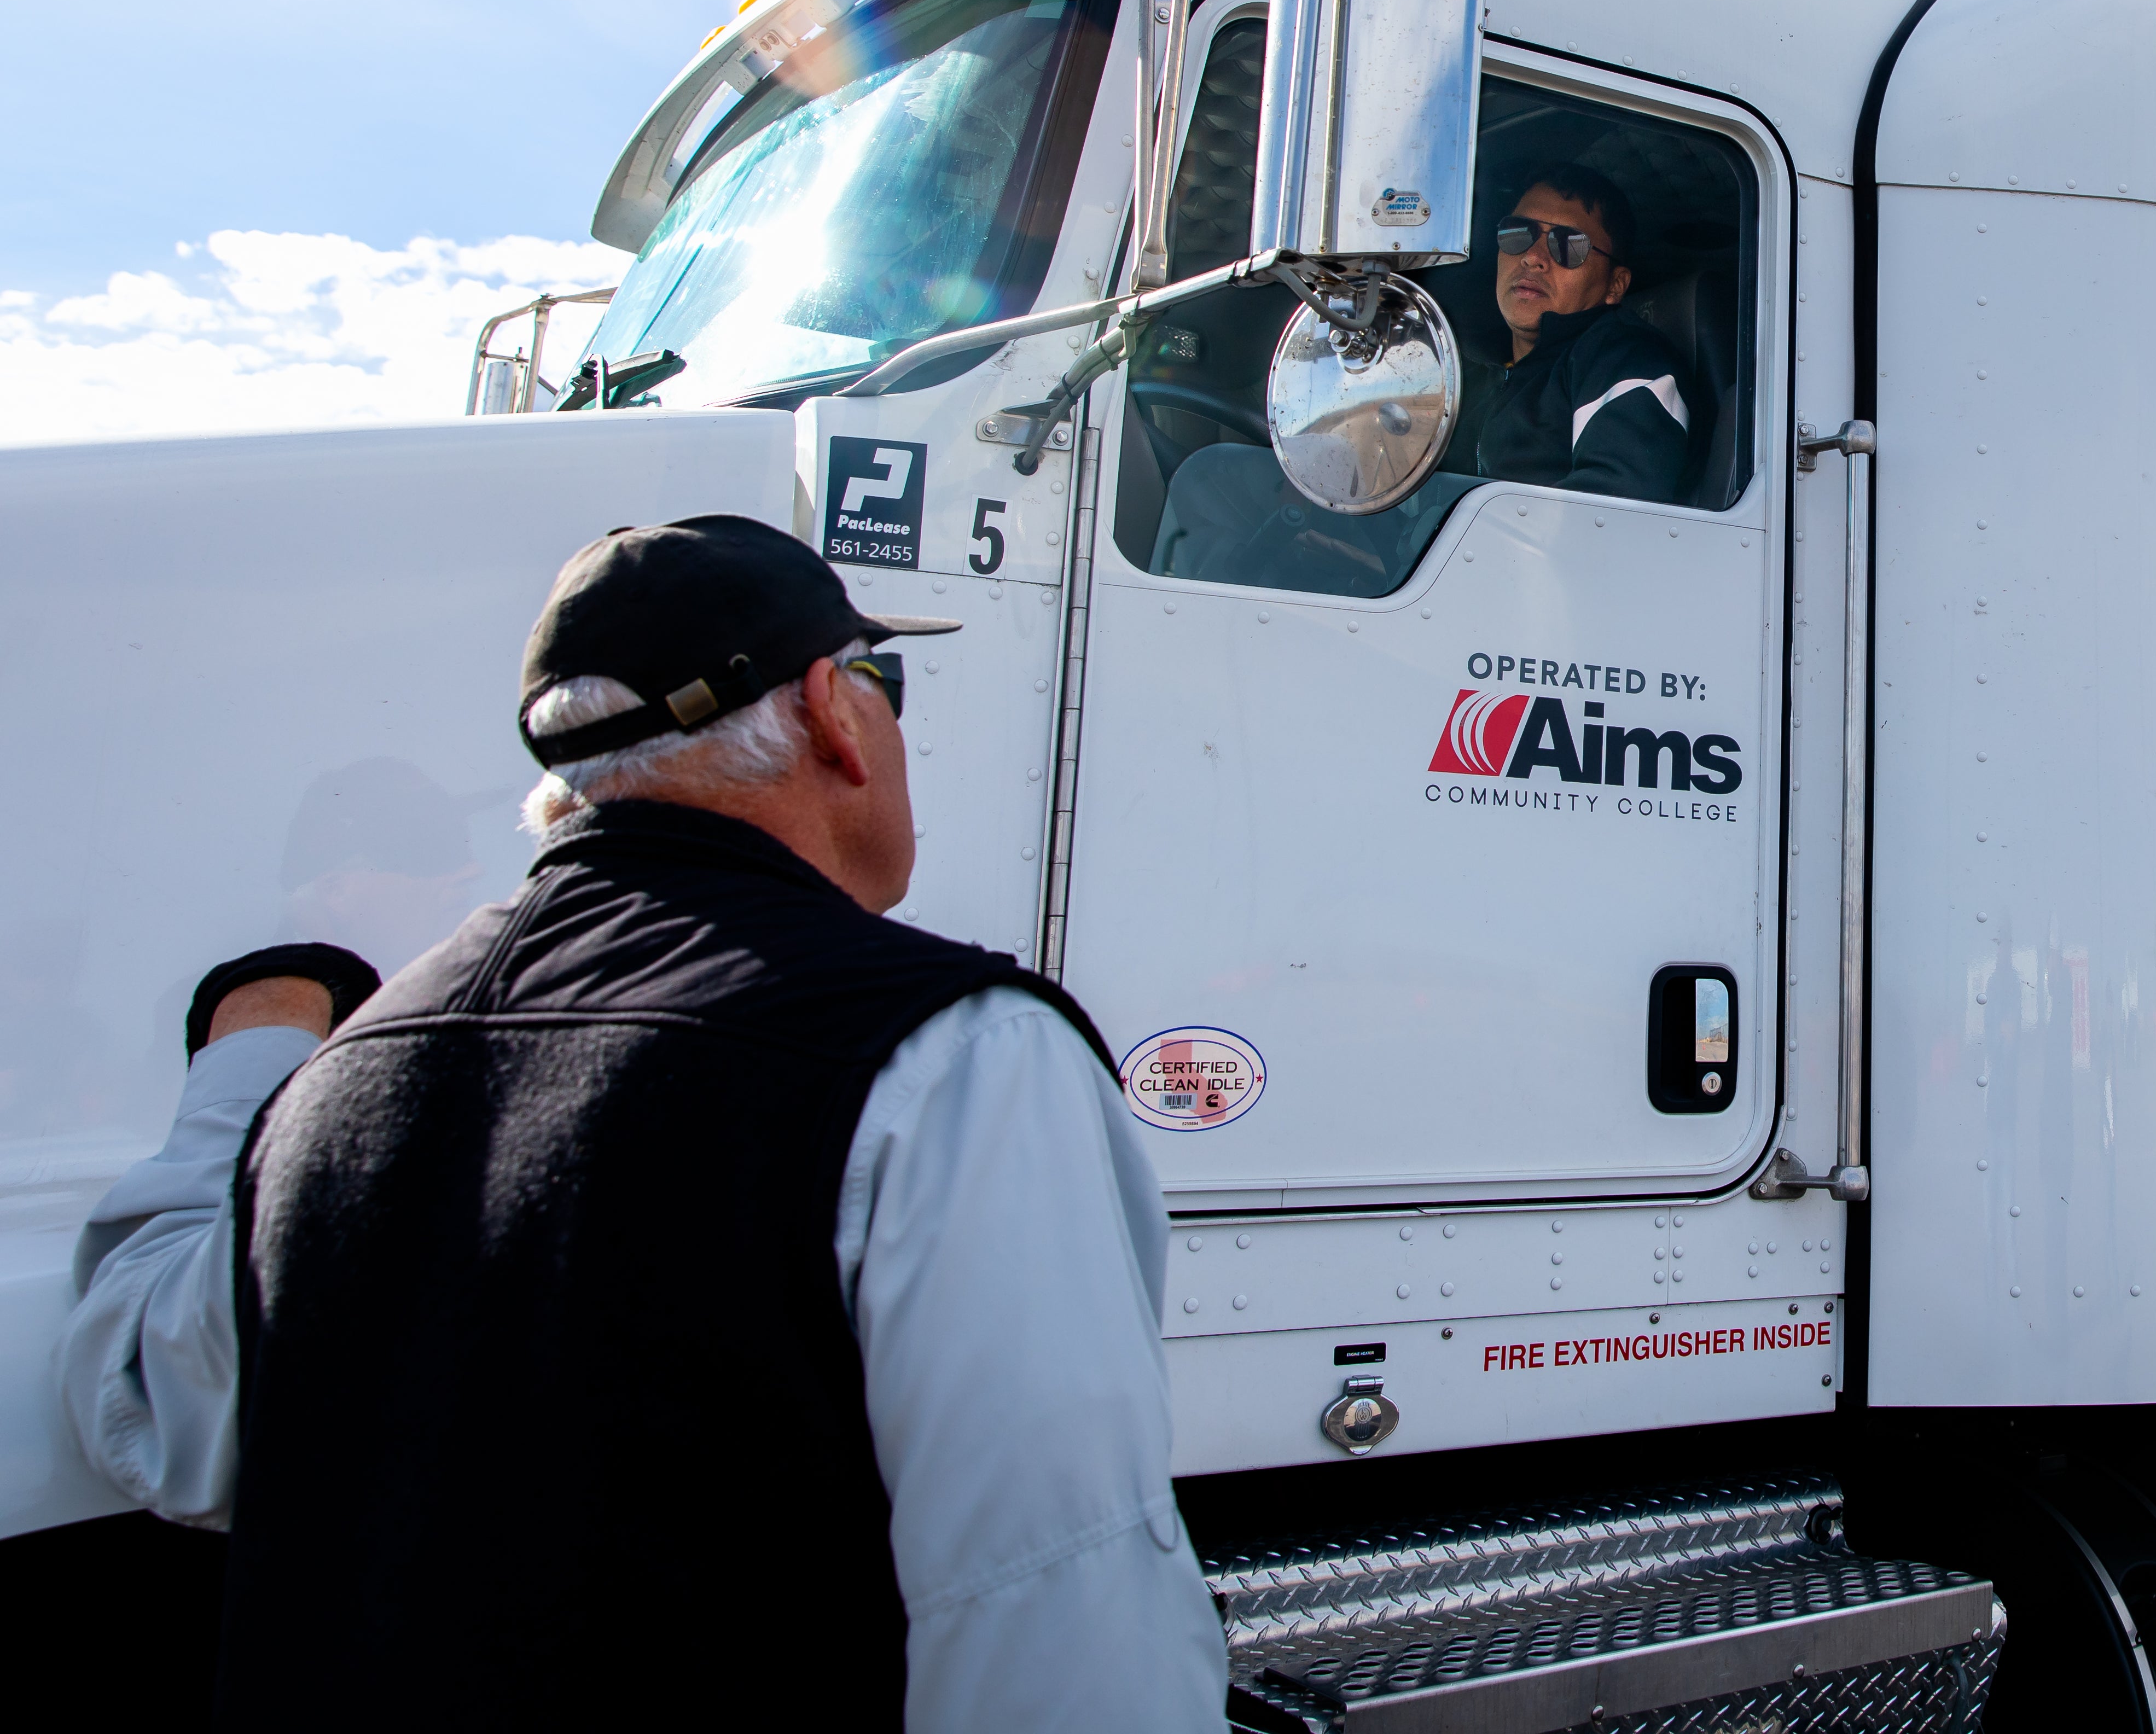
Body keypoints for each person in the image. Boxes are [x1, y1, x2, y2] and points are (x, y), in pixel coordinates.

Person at [60, 514, 1230, 1731]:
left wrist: (251, 1049)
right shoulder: (955, 1055)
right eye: (886, 682)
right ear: (832, 711)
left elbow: (150, 1413)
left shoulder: (340, 1072)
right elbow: (1054, 1619)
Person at [1471, 161, 1695, 504]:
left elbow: (1611, 514)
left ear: (1615, 285)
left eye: (1569, 244)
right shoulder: (1469, 374)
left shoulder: (1629, 360)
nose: (1533, 258)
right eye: (1519, 233)